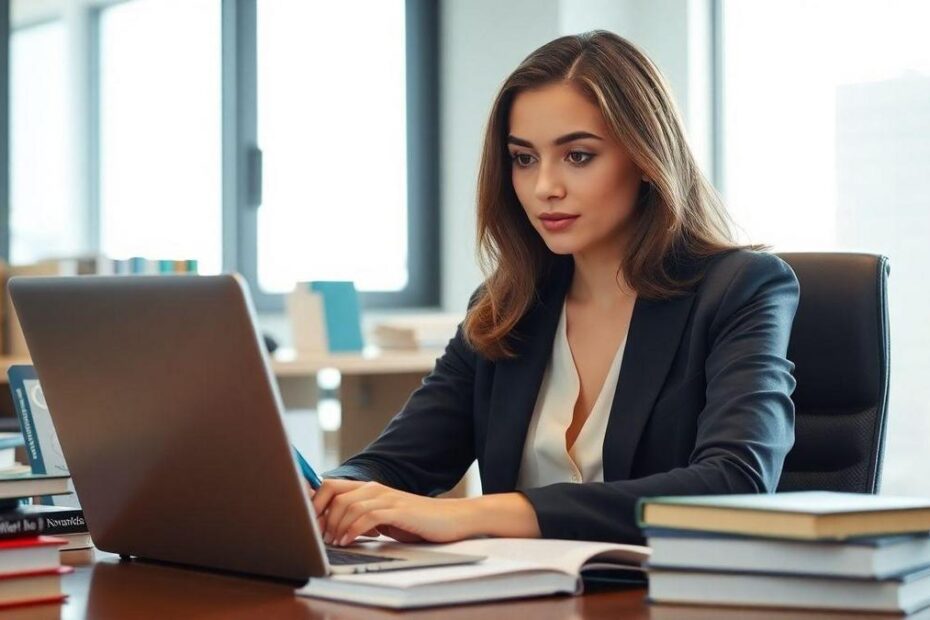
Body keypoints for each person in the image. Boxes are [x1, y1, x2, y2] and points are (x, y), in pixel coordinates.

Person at [310, 30, 799, 546]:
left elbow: (734, 485)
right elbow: (395, 463)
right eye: (524, 159)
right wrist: (325, 495)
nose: (545, 187)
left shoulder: (741, 289)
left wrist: (476, 515)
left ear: (645, 159)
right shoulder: (506, 308)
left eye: (579, 156)